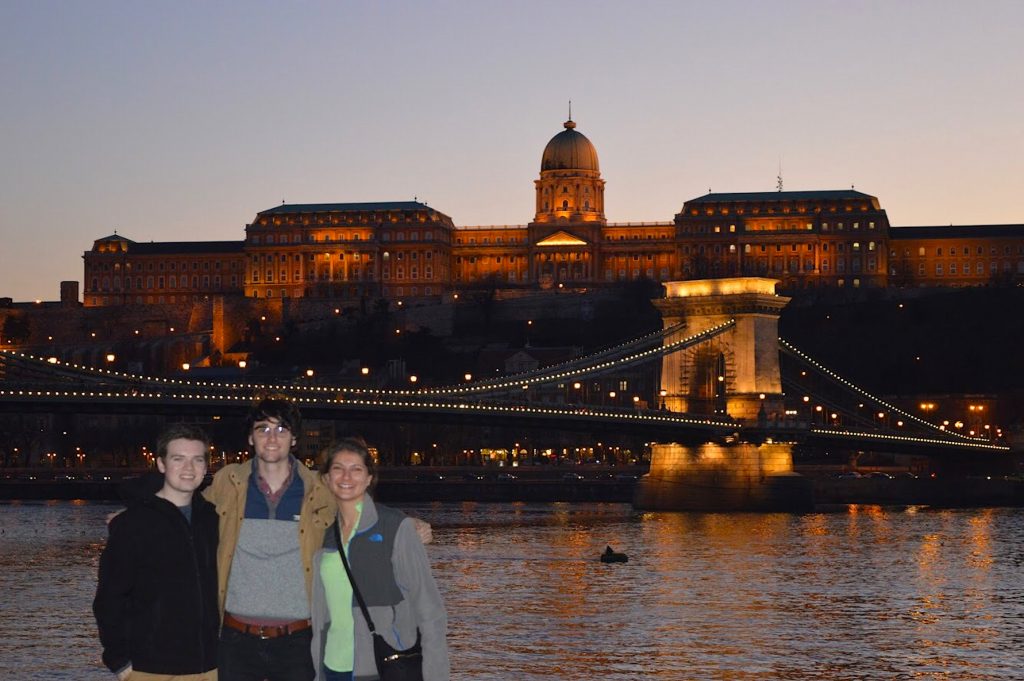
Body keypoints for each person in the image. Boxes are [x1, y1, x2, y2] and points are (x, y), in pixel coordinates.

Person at [207, 396, 432, 681]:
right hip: (235, 639)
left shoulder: (317, 488)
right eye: (263, 429)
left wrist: (404, 524)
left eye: (281, 430)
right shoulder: (227, 482)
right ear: (250, 438)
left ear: (294, 439)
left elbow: (361, 512)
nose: (272, 438)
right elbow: (186, 517)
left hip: (298, 640)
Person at [311, 437, 449, 681]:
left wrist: (436, 675)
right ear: (326, 479)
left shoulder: (395, 527)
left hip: (381, 665)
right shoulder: (326, 537)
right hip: (332, 666)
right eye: (338, 469)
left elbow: (430, 610)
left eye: (356, 469)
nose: (346, 477)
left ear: (368, 478)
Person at [93, 423, 219, 681]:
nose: (188, 468)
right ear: (161, 464)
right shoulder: (133, 524)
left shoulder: (213, 520)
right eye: (178, 459)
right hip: (151, 669)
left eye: (197, 460)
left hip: (211, 668)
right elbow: (109, 600)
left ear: (206, 467)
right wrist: (120, 662)